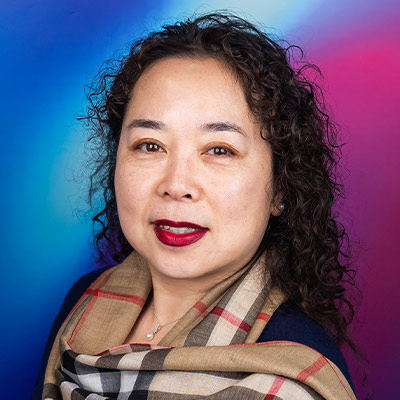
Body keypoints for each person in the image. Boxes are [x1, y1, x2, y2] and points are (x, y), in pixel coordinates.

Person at [33, 12, 359, 400]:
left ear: (280, 189)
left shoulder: (292, 377)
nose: (176, 185)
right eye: (150, 146)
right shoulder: (84, 301)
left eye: (219, 150)